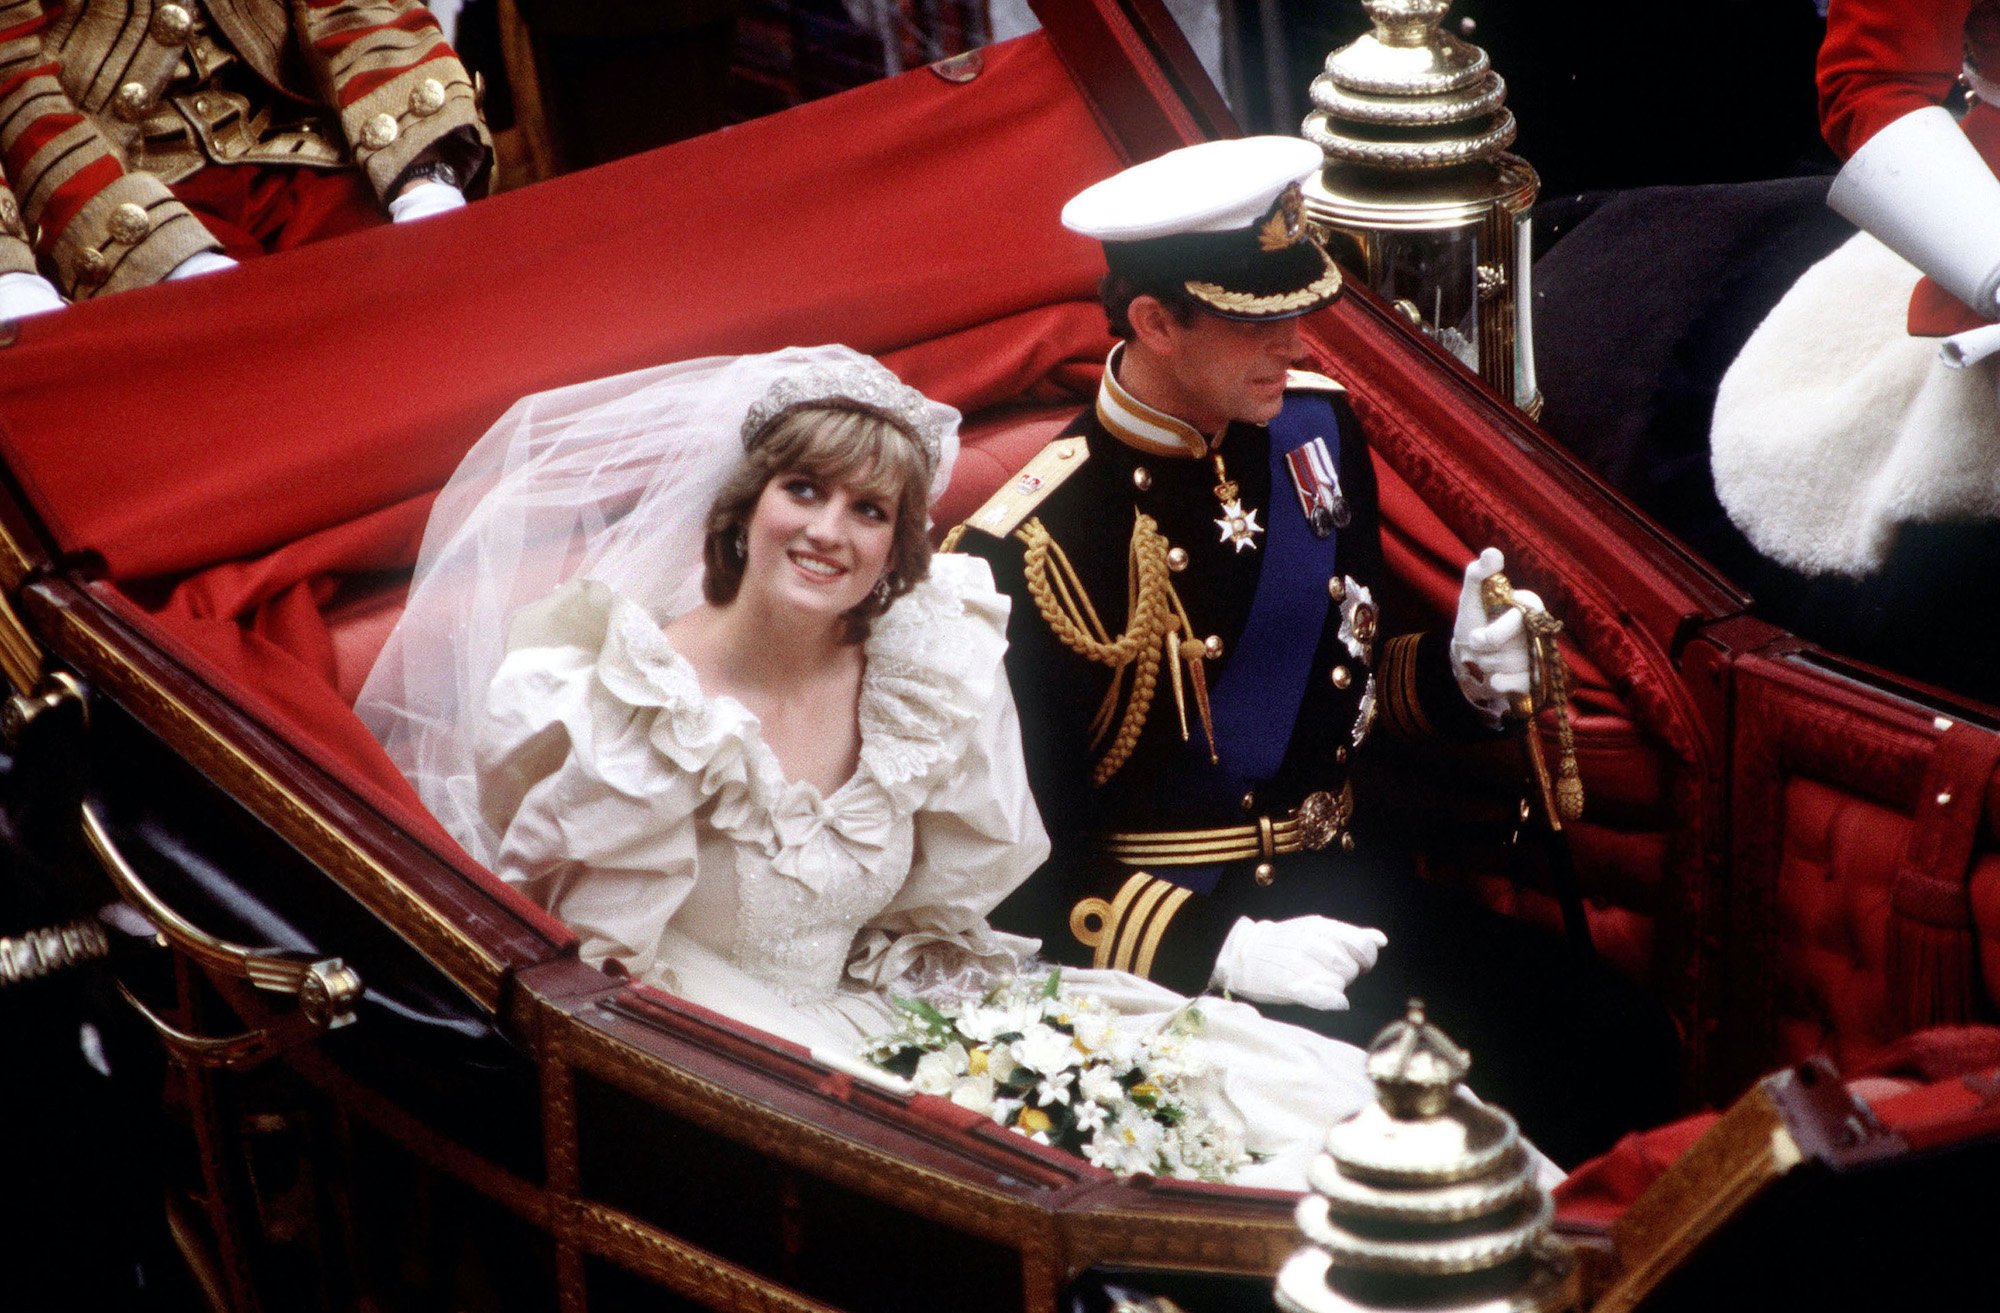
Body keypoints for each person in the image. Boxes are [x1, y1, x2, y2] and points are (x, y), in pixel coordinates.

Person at [357, 344, 1548, 1189]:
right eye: (803, 490)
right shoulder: (626, 702)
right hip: (735, 1064)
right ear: (741, 507)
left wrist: (1001, 1026)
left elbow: (956, 905)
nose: (830, 531)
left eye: (870, 511)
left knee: (1279, 1101)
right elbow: (611, 989)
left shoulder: (923, 661)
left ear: (897, 546)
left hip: (911, 998)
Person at [948, 137, 1679, 1166]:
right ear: (1157, 322)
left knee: (1612, 1042)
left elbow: (1337, 677)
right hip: (1178, 956)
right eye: (1256, 321)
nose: (1292, 345)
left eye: (1294, 312)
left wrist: (1456, 672)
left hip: (1351, 889)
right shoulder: (1030, 545)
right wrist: (1219, 949)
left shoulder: (1313, 437)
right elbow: (1011, 866)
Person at [0, 0, 489, 319]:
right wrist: (153, 254)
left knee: (434, 304)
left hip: (296, 138)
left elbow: (352, 7)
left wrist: (423, 169)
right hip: (111, 174)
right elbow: (10, 74)